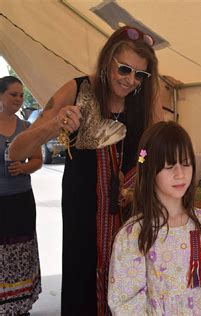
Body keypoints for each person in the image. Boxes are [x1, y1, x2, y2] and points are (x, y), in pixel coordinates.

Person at [9, 26, 164, 315]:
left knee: (127, 291)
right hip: (83, 218)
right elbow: (16, 151)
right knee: (83, 289)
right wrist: (55, 124)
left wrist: (136, 172)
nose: (131, 80)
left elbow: (151, 150)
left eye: (140, 75)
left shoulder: (143, 100)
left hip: (129, 219)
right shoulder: (77, 89)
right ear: (107, 60)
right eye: (124, 69)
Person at [108, 121, 201, 315]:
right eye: (169, 166)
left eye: (185, 163)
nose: (180, 174)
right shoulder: (133, 235)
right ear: (149, 170)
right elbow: (126, 304)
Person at [0, 76, 43, 315]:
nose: (18, 99)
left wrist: (24, 168)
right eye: (12, 94)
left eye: (20, 95)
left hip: (21, 200)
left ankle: (20, 305)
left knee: (22, 251)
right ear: (0, 96)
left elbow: (38, 159)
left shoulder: (26, 127)